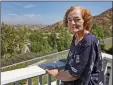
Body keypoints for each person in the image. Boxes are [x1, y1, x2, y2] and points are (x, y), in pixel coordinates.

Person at [46, 6, 104, 85]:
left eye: (77, 19)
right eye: (69, 20)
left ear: (85, 21)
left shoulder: (88, 41)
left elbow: (74, 75)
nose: (72, 23)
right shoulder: (76, 37)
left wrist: (56, 74)